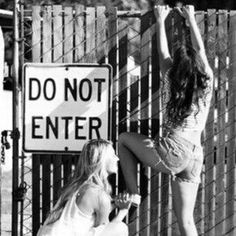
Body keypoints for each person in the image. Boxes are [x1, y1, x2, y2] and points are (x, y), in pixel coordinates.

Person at [118, 5, 213, 236]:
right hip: (195, 156)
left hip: (174, 151)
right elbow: (200, 50)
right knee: (187, 222)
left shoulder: (171, 80)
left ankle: (134, 194)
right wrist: (190, 17)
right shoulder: (207, 82)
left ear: (178, 67)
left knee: (123, 139)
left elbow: (163, 54)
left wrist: (160, 19)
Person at [37, 139, 130, 236]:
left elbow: (79, 217)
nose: (117, 159)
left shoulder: (76, 185)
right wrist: (123, 211)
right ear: (102, 159)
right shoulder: (99, 195)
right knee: (120, 228)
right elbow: (105, 231)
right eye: (113, 155)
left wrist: (112, 205)